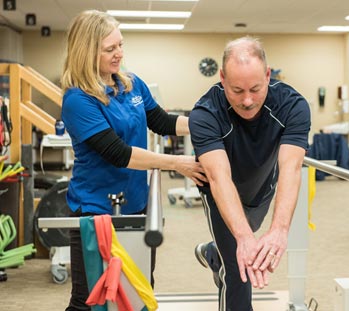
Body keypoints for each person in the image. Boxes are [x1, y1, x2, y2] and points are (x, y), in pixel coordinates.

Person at [61, 10, 206, 310]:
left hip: (137, 205)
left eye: (121, 45)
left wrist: (209, 125)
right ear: (87, 52)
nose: (119, 54)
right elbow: (118, 154)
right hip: (95, 211)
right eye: (110, 49)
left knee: (139, 289)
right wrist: (178, 164)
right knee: (88, 299)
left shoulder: (131, 83)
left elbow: (162, 121)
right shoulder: (78, 99)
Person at [189, 37, 311, 311]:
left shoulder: (292, 106)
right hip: (219, 190)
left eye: (256, 89)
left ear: (268, 75)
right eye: (237, 90)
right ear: (222, 78)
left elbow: (291, 168)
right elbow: (219, 177)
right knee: (238, 268)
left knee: (238, 244)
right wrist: (243, 238)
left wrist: (279, 230)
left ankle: (214, 252)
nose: (247, 100)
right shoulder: (205, 113)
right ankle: (225, 255)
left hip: (261, 188)